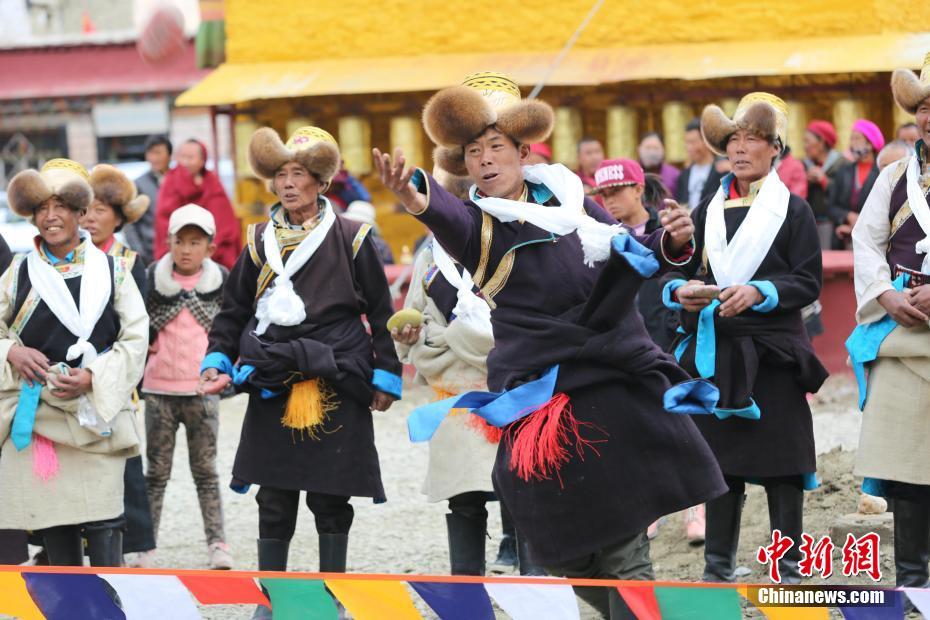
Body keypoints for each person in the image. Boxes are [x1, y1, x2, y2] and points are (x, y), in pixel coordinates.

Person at [375, 72, 726, 618]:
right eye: (473, 152)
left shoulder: (571, 197)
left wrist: (672, 241)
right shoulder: (477, 226)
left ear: (523, 151)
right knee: (561, 546)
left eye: (495, 147)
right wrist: (412, 195)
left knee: (624, 540)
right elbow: (441, 213)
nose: (485, 160)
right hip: (540, 397)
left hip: (609, 377)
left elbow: (629, 248)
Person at [198, 126, 401, 616]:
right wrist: (217, 359)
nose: (288, 184)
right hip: (275, 376)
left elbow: (381, 311)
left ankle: (332, 595)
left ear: (322, 182)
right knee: (274, 495)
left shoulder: (352, 237)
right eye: (281, 175)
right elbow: (233, 311)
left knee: (331, 497)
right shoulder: (258, 240)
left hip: (337, 374)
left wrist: (386, 375)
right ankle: (274, 597)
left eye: (299, 174)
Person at [664, 93, 827, 585]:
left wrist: (760, 291)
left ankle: (788, 567)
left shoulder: (793, 210)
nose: (739, 148)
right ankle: (718, 566)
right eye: (733, 139)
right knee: (721, 464)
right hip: (719, 352)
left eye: (753, 139)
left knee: (783, 463)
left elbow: (807, 280)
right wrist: (684, 291)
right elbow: (683, 271)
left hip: (774, 352)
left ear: (775, 148)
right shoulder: (705, 210)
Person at [0, 159, 148, 566]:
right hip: (41, 418)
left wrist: (93, 377)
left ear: (81, 212)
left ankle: (107, 597)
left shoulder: (116, 271)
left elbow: (135, 339)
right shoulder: (17, 273)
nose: (51, 216)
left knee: (105, 525)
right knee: (55, 525)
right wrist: (11, 351)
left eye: (61, 206)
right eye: (42, 208)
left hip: (95, 416)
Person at [847, 51, 930, 602]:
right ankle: (915, 584)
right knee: (906, 465)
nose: (929, 117)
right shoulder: (894, 176)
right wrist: (884, 293)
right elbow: (867, 242)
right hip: (903, 335)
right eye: (923, 107)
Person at [391, 233, 502, 575]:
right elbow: (413, 321)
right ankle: (467, 588)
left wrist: (447, 341)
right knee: (464, 496)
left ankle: (533, 588)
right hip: (453, 394)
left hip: (509, 387)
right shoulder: (430, 257)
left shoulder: (508, 244)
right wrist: (414, 338)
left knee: (520, 488)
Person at [143, 204, 231, 570]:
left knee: (206, 472)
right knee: (155, 474)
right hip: (158, 391)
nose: (186, 250)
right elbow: (135, 324)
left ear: (210, 247)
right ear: (168, 242)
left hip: (201, 392)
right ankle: (145, 545)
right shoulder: (152, 279)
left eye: (195, 242)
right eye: (179, 241)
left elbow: (231, 330)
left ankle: (217, 543)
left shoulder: (221, 282)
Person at [85, 164, 157, 566]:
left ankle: (135, 543)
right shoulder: (70, 261)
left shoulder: (130, 261)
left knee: (124, 459)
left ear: (119, 217)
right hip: (74, 375)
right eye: (86, 210)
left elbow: (140, 327)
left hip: (117, 373)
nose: (90, 218)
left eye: (100, 210)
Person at [154, 139, 241, 269]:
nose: (185, 162)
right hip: (179, 253)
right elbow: (163, 221)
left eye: (190, 157)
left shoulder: (212, 183)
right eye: (182, 157)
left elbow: (225, 223)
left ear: (202, 161)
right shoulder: (170, 182)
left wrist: (206, 249)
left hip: (213, 254)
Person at [828, 119, 884, 247]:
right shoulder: (843, 171)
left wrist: (858, 224)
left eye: (857, 139)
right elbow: (831, 207)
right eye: (851, 139)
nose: (852, 143)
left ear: (870, 144)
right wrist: (848, 216)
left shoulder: (881, 172)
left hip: (872, 240)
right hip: (842, 239)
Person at [128, 135, 172, 265]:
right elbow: (130, 223)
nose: (154, 158)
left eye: (158, 153)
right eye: (151, 153)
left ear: (169, 155)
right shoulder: (138, 184)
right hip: (151, 254)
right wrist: (140, 253)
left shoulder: (179, 180)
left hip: (177, 249)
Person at [803, 120, 847, 242]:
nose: (804, 146)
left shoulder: (843, 165)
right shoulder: (804, 165)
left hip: (833, 226)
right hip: (809, 223)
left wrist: (824, 181)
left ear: (822, 142)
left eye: (807, 141)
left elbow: (846, 196)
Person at [677, 119, 724, 209]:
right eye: (687, 142)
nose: (688, 147)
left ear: (706, 141)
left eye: (692, 142)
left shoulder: (722, 171)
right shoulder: (684, 175)